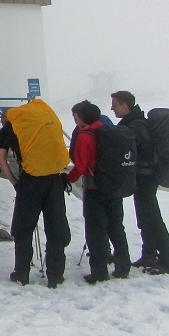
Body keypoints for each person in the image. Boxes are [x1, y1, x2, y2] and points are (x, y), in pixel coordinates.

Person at [0, 106, 70, 288]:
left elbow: (1, 159)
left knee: (23, 228)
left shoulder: (7, 129)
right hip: (54, 179)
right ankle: (55, 275)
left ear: (6, 119)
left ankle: (22, 273)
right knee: (55, 227)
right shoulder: (37, 125)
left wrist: (14, 182)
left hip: (30, 182)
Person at [68, 100, 132, 284]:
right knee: (116, 227)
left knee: (96, 230)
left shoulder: (85, 135)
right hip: (114, 186)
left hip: (95, 188)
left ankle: (99, 271)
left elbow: (80, 166)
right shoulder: (110, 131)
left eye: (76, 116)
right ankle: (123, 266)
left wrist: (67, 180)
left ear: (81, 117)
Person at [111, 90, 169, 275]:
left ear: (125, 105)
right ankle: (149, 255)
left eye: (115, 104)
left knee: (152, 218)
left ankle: (166, 261)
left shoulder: (135, 126)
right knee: (145, 217)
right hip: (144, 177)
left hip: (145, 178)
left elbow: (133, 151)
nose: (112, 108)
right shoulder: (134, 123)